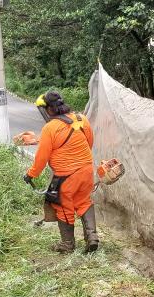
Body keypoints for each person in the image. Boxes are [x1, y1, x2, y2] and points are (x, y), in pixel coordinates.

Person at [24, 91, 99, 253]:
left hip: (66, 176)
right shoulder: (81, 119)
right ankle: (92, 237)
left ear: (48, 109)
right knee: (84, 201)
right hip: (86, 170)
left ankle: (67, 245)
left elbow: (41, 159)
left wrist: (30, 174)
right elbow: (89, 142)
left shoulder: (50, 128)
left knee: (63, 207)